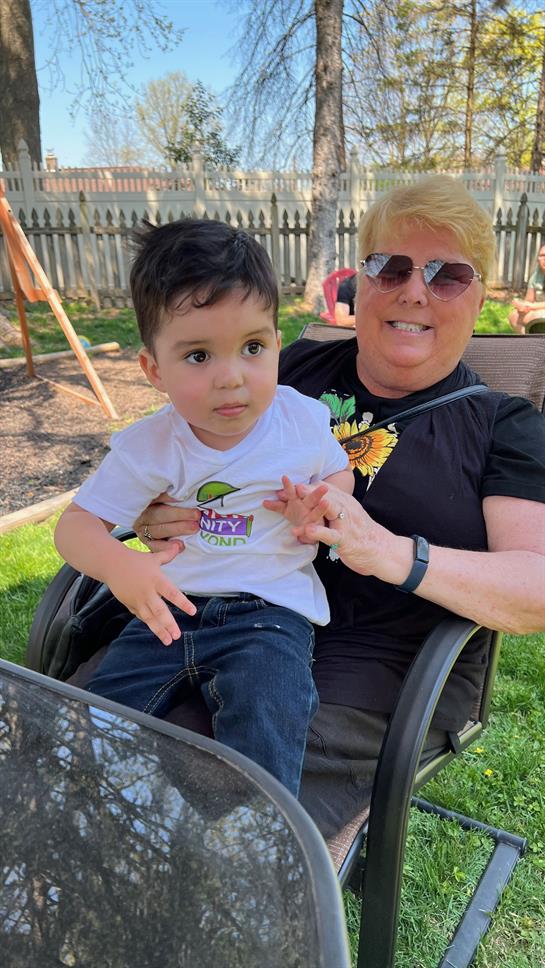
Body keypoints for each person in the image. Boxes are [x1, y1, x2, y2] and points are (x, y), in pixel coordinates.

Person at [95, 176, 545, 841]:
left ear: (479, 295)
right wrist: (160, 509)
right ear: (358, 282)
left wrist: (389, 552)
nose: (412, 290)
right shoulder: (287, 365)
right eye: (389, 266)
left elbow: (534, 590)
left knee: (195, 803)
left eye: (446, 275)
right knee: (74, 735)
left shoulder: (502, 424)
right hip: (202, 614)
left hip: (365, 670)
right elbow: (173, 446)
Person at [54, 219, 352, 798]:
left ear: (276, 343)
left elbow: (339, 473)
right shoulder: (150, 446)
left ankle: (260, 848)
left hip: (271, 613)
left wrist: (319, 504)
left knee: (270, 712)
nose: (231, 378)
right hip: (167, 610)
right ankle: (93, 831)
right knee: (90, 727)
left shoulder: (300, 420)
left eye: (252, 347)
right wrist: (121, 566)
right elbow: (75, 527)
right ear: (153, 369)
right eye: (197, 355)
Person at [508, 244, 545, 333]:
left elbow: (531, 305)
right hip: (537, 311)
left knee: (537, 316)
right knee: (514, 316)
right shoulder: (536, 276)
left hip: (539, 312)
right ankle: (530, 343)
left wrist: (531, 307)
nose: (544, 258)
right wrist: (521, 305)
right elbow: (529, 300)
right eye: (542, 255)